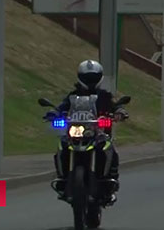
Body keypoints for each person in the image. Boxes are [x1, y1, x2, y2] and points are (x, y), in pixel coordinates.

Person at [51, 60, 127, 205]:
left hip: (98, 134)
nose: (90, 81)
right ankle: (62, 179)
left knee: (109, 149)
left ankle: (111, 181)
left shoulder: (104, 96)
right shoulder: (73, 96)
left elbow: (114, 106)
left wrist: (119, 112)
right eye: (87, 78)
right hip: (76, 133)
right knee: (62, 145)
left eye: (93, 77)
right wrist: (53, 113)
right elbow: (62, 106)